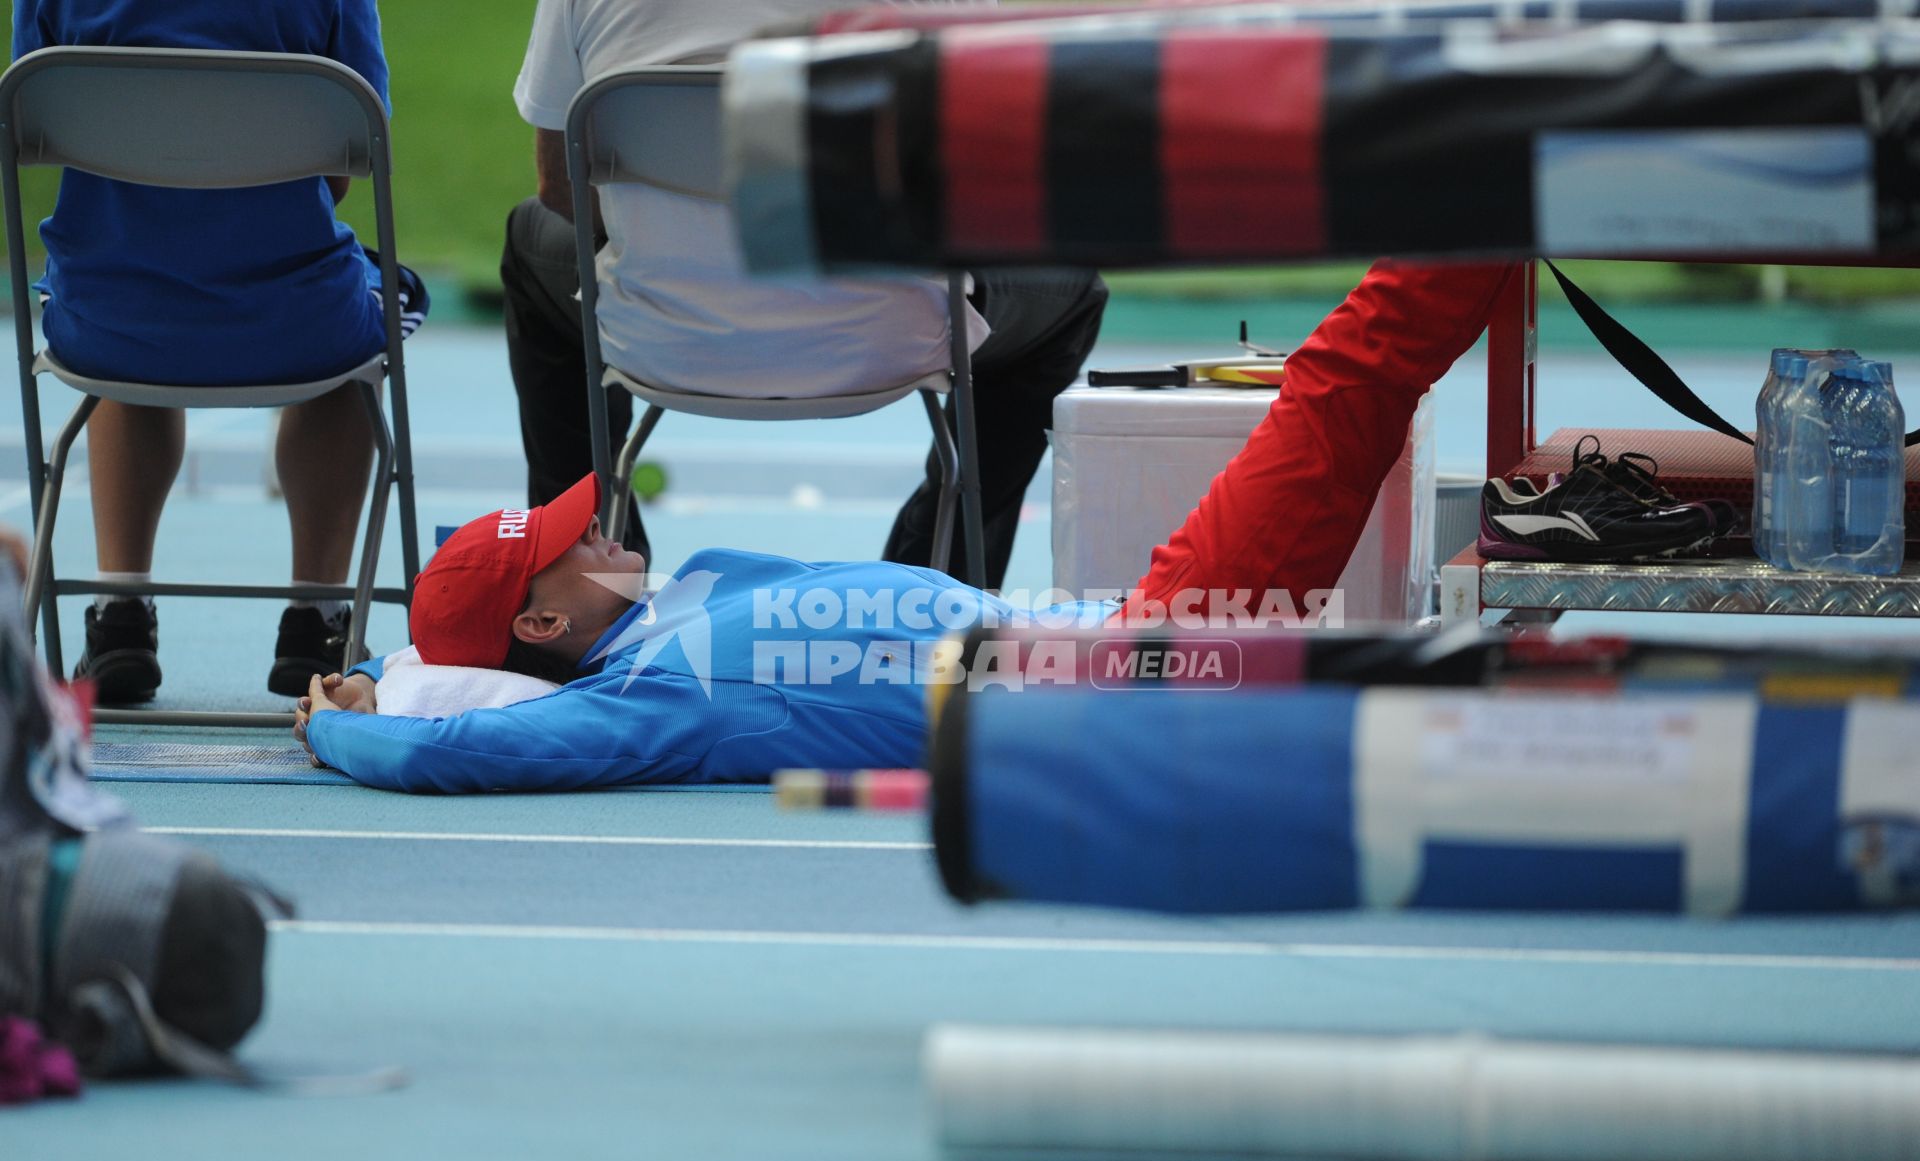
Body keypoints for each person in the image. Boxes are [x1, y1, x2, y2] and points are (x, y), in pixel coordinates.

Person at [297, 260, 1520, 792]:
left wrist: (378, 673)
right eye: (571, 536)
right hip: (1139, 674)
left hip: (1116, 633)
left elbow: (452, 680)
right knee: (1352, 371)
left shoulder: (686, 605)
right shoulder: (646, 698)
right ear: (547, 614)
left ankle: (1508, 175)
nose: (597, 516)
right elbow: (454, 750)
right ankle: (1509, 165)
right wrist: (351, 725)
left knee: (1360, 374)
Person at [502, 0, 1108, 589]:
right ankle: (935, 590)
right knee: (1072, 290)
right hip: (895, 341)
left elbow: (562, 190)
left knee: (532, 244)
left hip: (660, 337)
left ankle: (584, 594)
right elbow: (981, 184)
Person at [12, 0, 430, 704]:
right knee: (364, 330)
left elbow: (28, 129)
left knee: (144, 307)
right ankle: (317, 619)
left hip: (109, 316)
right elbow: (353, 151)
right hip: (298, 323)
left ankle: (119, 613)